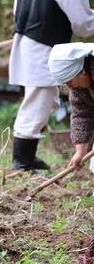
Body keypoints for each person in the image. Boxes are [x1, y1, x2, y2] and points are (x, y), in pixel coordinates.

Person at [9, 0, 94, 172]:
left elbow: (19, 12)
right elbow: (82, 23)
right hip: (45, 47)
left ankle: (27, 155)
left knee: (45, 99)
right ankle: (22, 160)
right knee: (39, 99)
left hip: (26, 42)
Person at [48, 43, 94, 174]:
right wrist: (80, 151)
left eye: (69, 82)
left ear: (82, 72)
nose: (70, 87)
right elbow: (81, 115)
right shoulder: (78, 90)